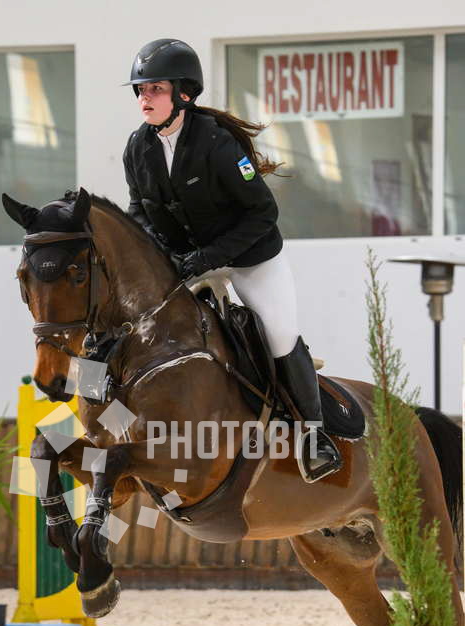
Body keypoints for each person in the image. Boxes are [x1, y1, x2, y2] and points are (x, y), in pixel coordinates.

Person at [122, 38, 342, 483]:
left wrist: (206, 258)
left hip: (249, 258)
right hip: (184, 263)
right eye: (141, 90)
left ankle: (314, 435)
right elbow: (138, 210)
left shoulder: (217, 144)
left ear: (184, 93)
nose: (145, 98)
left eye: (155, 89)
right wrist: (162, 257)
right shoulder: (137, 148)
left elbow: (262, 213)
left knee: (278, 335)